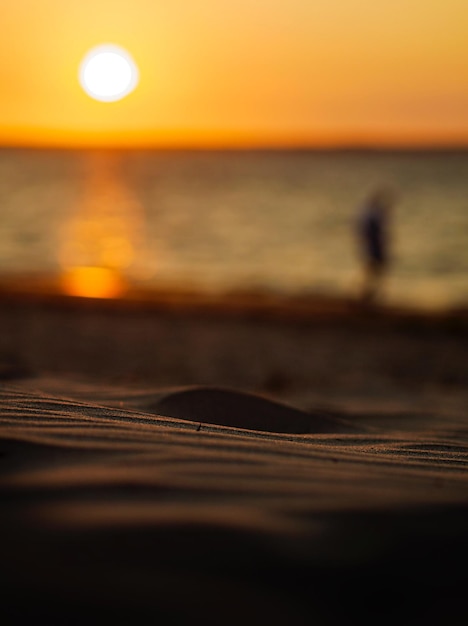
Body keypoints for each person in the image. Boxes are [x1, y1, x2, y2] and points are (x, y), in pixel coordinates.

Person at [356, 187, 396, 302]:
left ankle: (368, 293)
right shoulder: (373, 216)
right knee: (376, 270)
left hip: (372, 247)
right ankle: (369, 294)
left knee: (373, 270)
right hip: (375, 247)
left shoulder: (368, 214)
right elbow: (377, 233)